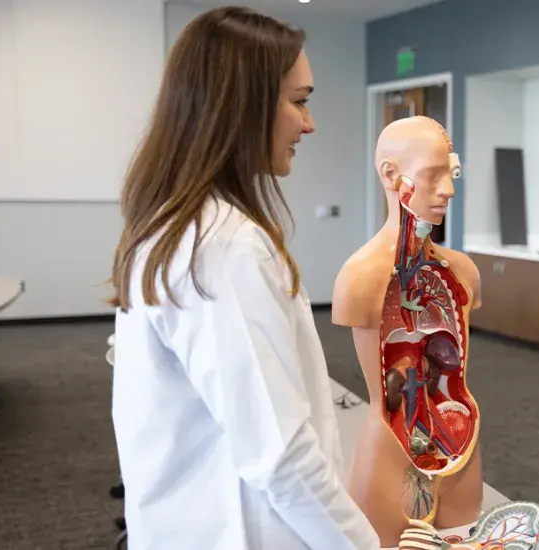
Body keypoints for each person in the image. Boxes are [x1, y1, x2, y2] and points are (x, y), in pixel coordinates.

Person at [108, 7, 379, 550]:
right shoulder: (222, 246)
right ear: (241, 106)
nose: (310, 123)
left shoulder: (182, 224)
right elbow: (279, 452)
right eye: (299, 101)